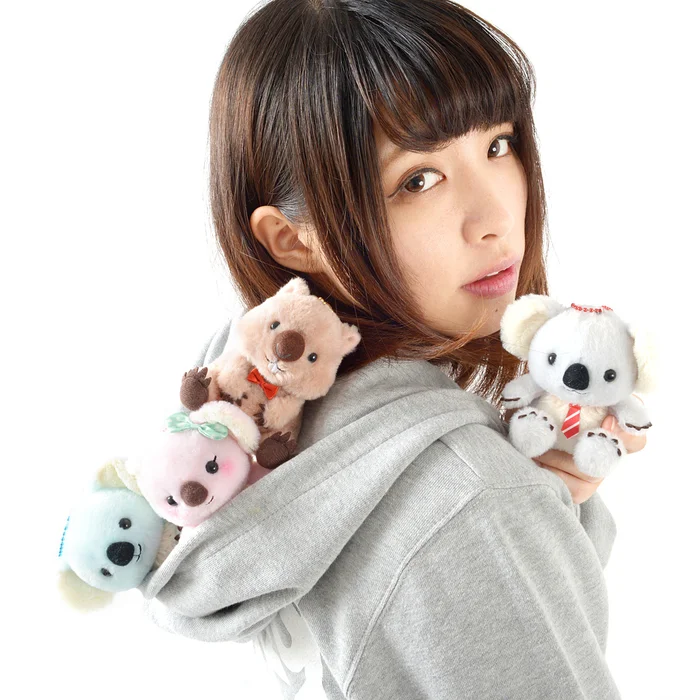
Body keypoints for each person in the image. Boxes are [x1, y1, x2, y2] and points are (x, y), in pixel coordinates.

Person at [138, 1, 646, 697]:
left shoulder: (260, 417)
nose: (497, 218)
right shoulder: (471, 498)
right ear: (293, 240)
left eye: (499, 144)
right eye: (418, 180)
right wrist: (503, 515)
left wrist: (544, 511)